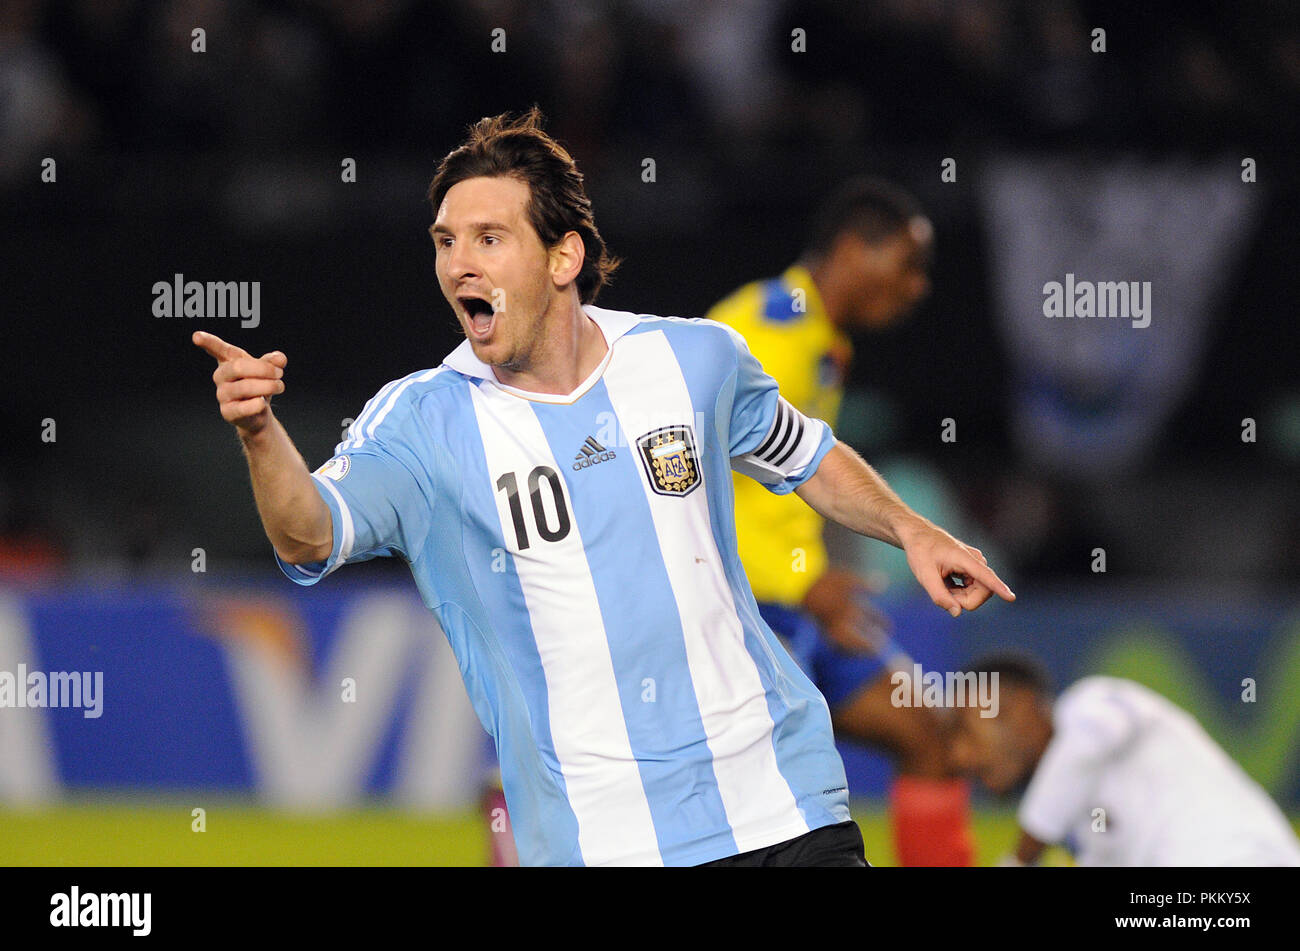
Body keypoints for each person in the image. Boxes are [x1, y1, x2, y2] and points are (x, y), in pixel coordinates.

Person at [193, 108, 1014, 867]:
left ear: (563, 256)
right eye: (446, 241)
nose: (458, 264)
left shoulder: (693, 359)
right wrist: (260, 434)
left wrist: (913, 530)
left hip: (782, 802)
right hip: (600, 839)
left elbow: (805, 455)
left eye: (487, 238)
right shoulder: (420, 423)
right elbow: (309, 534)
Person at [707, 178, 977, 866]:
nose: (917, 287)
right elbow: (686, 479)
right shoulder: (766, 331)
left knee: (928, 734)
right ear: (856, 249)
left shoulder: (816, 335)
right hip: (744, 607)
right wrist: (797, 582)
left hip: (802, 597)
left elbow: (777, 484)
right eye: (908, 264)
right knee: (773, 807)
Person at [949, 650, 1300, 866]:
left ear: (1022, 707)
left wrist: (1020, 859)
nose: (960, 756)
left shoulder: (1089, 701)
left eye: (964, 729)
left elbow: (1087, 746)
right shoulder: (1081, 830)